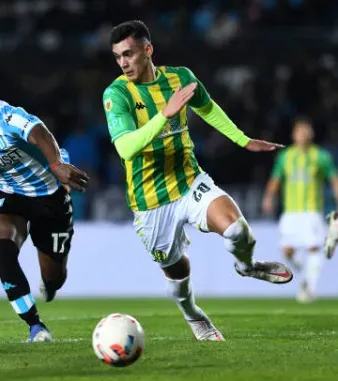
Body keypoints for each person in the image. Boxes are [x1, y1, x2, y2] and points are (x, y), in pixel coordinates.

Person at [102, 20, 293, 341]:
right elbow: (125, 147)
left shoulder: (180, 77)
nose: (123, 63)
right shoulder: (117, 93)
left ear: (148, 51)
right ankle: (194, 315)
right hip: (150, 200)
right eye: (118, 56)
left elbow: (207, 107)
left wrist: (242, 139)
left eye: (129, 54)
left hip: (189, 180)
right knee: (178, 272)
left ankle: (246, 266)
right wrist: (164, 114)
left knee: (237, 229)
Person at [0, 70, 89, 343]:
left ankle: (49, 285)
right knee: (3, 247)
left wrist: (56, 165)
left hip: (50, 195)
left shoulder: (9, 116)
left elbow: (41, 134)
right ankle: (35, 325)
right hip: (12, 195)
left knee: (54, 279)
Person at [263, 117, 338, 302]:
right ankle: (306, 275)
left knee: (313, 247)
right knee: (287, 251)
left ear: (311, 134)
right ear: (293, 135)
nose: (303, 135)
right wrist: (268, 197)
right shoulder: (285, 156)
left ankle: (310, 288)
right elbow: (276, 179)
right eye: (299, 131)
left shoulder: (321, 156)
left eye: (306, 131)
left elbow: (333, 180)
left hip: (312, 210)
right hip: (290, 212)